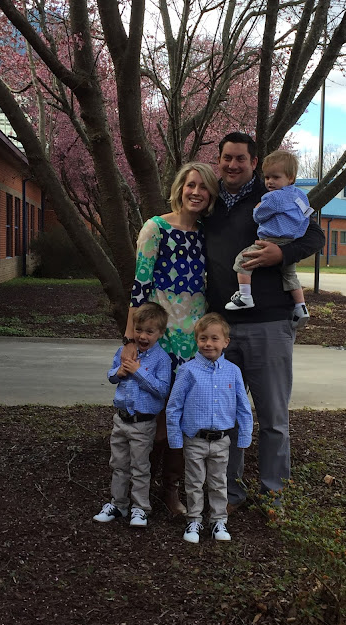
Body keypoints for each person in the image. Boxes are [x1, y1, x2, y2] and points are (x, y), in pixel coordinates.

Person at [203, 132, 325, 511]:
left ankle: (274, 493)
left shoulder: (275, 193)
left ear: (253, 163)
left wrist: (281, 255)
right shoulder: (210, 200)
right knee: (227, 415)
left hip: (269, 323)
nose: (232, 165)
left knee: (273, 416)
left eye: (240, 158)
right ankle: (230, 492)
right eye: (227, 157)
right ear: (219, 160)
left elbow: (315, 237)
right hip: (221, 328)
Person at [121, 162, 219, 516]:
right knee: (154, 413)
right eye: (190, 184)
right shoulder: (156, 228)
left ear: (211, 195)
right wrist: (130, 338)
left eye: (203, 187)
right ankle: (138, 491)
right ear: (180, 188)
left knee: (182, 416)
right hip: (160, 338)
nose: (196, 192)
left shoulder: (207, 233)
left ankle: (171, 489)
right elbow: (140, 285)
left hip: (194, 341)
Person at [166, 313, 253, 543]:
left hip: (222, 441)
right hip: (194, 439)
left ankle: (218, 520)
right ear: (196, 340)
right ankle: (194, 519)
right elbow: (174, 407)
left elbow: (243, 407)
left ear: (226, 342)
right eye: (203, 338)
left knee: (219, 482)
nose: (208, 343)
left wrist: (244, 436)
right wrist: (175, 439)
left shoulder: (233, 371)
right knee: (194, 482)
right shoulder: (187, 371)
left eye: (215, 338)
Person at [93, 302, 172, 527]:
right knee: (118, 464)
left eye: (149, 331)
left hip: (143, 424)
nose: (143, 336)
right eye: (139, 330)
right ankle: (118, 504)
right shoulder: (124, 352)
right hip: (121, 420)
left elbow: (162, 390)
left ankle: (140, 508)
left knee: (140, 467)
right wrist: (118, 372)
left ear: (160, 333)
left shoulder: (162, 359)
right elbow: (111, 375)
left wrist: (139, 372)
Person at [225, 150, 313, 328]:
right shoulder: (300, 195)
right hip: (290, 241)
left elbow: (259, 216)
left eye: (276, 177)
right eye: (267, 177)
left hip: (271, 240)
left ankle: (245, 296)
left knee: (243, 261)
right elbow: (307, 215)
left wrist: (257, 208)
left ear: (290, 178)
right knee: (290, 275)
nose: (270, 182)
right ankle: (301, 307)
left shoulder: (274, 197)